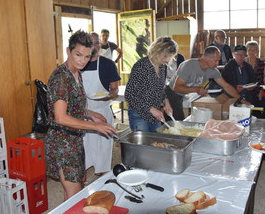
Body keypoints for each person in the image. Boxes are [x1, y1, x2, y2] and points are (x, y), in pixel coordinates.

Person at [44, 30, 116, 200]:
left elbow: (72, 105)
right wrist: (95, 126)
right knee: (74, 192)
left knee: (79, 183)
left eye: (87, 56)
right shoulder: (61, 78)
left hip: (74, 139)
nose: (82, 60)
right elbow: (61, 117)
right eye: (78, 54)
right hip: (62, 143)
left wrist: (89, 113)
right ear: (68, 51)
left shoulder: (76, 73)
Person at [165, 46, 249, 121]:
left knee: (172, 119)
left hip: (184, 95)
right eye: (216, 61)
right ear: (207, 58)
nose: (217, 64)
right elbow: (176, 88)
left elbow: (226, 86)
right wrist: (196, 89)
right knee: (178, 121)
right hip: (172, 93)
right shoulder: (189, 65)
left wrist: (241, 99)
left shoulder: (213, 70)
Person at [81, 32, 121, 176]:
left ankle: (102, 171)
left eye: (97, 43)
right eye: (91, 43)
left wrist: (110, 95)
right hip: (83, 110)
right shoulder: (79, 64)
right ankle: (84, 169)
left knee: (104, 142)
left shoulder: (107, 64)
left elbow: (115, 88)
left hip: (103, 109)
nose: (94, 46)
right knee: (85, 142)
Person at [124, 37, 176, 132]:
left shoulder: (163, 67)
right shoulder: (141, 66)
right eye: (165, 56)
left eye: (170, 57)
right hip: (139, 114)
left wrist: (166, 102)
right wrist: (151, 109)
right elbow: (129, 94)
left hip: (155, 115)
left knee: (155, 143)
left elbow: (160, 89)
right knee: (143, 145)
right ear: (157, 52)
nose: (167, 60)